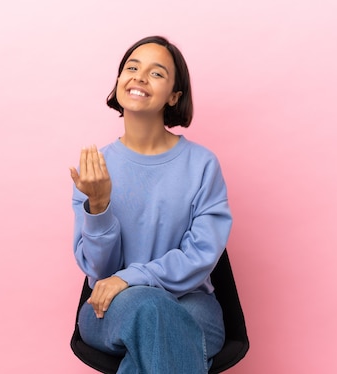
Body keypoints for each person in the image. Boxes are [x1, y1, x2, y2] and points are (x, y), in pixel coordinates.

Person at [69, 35, 232, 373]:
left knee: (154, 325)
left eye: (156, 73)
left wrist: (131, 277)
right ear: (118, 83)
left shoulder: (202, 165)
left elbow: (201, 255)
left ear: (174, 95)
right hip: (110, 308)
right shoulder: (97, 168)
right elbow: (101, 275)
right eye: (132, 68)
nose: (140, 77)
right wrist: (98, 207)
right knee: (149, 310)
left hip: (192, 304)